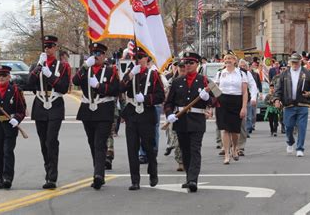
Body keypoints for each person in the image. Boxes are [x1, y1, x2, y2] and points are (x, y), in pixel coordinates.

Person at [72, 42, 120, 190]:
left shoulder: (110, 71)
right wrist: (85, 66)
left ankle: (98, 175)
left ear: (104, 56)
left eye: (99, 53)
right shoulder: (86, 70)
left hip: (104, 109)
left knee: (100, 142)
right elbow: (75, 82)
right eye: (94, 53)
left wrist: (99, 87)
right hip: (88, 110)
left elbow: (115, 89)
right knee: (92, 142)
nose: (96, 56)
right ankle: (97, 169)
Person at [164, 52, 212, 192]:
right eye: (186, 63)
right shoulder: (177, 81)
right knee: (185, 150)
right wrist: (169, 115)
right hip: (181, 120)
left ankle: (193, 179)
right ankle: (188, 177)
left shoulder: (205, 81)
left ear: (197, 64)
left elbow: (217, 100)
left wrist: (206, 97)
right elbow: (168, 103)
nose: (188, 65)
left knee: (195, 149)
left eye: (191, 62)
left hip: (197, 120)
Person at [28, 36, 70, 189]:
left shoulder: (63, 67)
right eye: (45, 46)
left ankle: (52, 177)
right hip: (40, 106)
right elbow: (29, 83)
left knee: (51, 140)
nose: (48, 49)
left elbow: (64, 88)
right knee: (43, 142)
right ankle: (48, 171)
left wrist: (50, 75)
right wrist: (39, 67)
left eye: (50, 46)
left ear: (56, 48)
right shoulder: (36, 65)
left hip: (55, 106)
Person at [120, 47, 164, 190]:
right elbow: (119, 88)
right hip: (132, 112)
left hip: (147, 113)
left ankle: (153, 171)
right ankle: (135, 180)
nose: (138, 60)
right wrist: (130, 75)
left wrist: (145, 98)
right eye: (136, 57)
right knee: (132, 147)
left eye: (141, 57)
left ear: (147, 59)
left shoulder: (154, 74)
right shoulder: (130, 73)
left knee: (148, 146)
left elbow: (160, 96)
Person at [273, 53, 310, 157]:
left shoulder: (307, 73)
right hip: (288, 105)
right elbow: (278, 89)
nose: (294, 64)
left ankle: (300, 148)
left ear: (300, 62)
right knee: (288, 126)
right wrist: (276, 99)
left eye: (296, 62)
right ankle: (290, 142)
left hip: (302, 104)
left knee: (302, 127)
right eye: (292, 62)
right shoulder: (284, 74)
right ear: (290, 62)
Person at [214, 52, 248, 164]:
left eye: (230, 58)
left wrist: (244, 107)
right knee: (225, 129)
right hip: (222, 101)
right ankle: (227, 154)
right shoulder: (220, 73)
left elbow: (244, 92)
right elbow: (214, 88)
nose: (227, 60)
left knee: (235, 131)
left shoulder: (241, 73)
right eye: (225, 58)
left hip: (236, 101)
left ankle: (235, 148)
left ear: (235, 61)